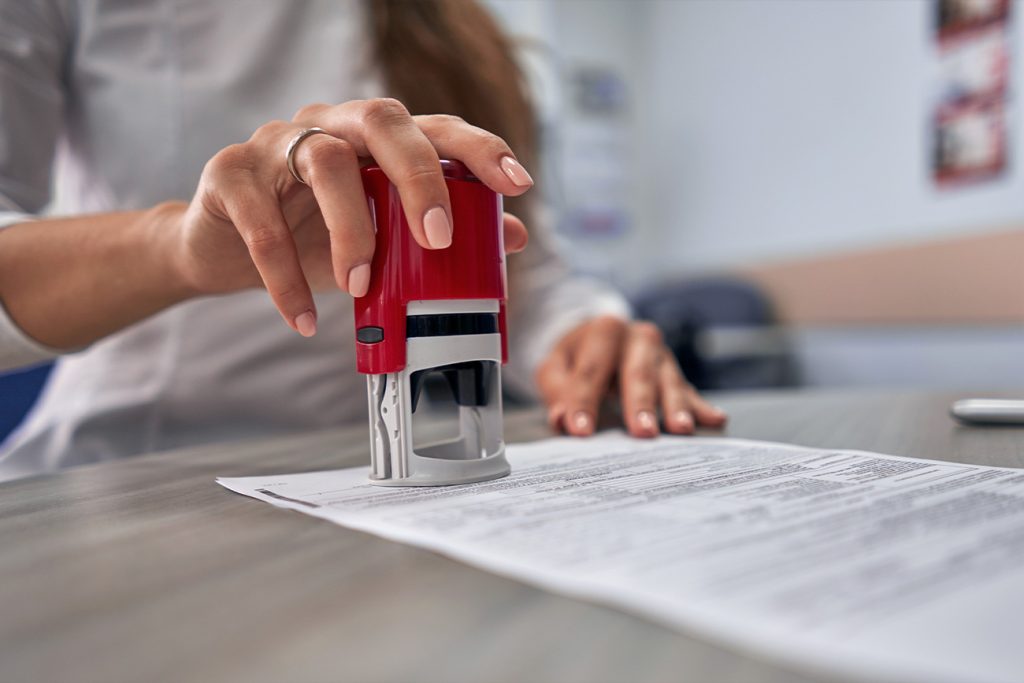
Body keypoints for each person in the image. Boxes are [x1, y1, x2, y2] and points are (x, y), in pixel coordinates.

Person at [0, 0, 726, 482]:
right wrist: (178, 250)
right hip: (138, 470)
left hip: (370, 478)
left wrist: (584, 332)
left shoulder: (453, 25)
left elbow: (519, 262)